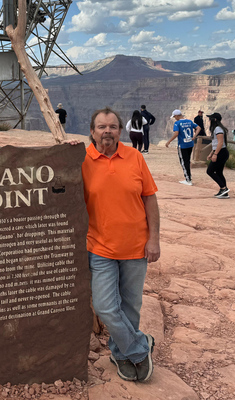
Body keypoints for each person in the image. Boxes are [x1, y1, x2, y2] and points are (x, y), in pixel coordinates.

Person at [82, 107, 160, 383]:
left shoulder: (135, 157)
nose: (107, 131)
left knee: (130, 307)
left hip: (137, 248)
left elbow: (150, 198)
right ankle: (140, 349)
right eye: (101, 127)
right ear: (92, 131)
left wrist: (154, 239)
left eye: (112, 127)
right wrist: (64, 152)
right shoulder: (82, 160)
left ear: (120, 130)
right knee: (105, 307)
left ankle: (120, 353)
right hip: (100, 248)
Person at [164, 109, 199, 186]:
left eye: (174, 117)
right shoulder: (190, 121)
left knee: (183, 162)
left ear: (177, 115)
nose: (174, 118)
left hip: (182, 145)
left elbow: (176, 133)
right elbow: (198, 128)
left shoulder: (177, 123)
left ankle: (188, 180)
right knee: (187, 160)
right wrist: (194, 136)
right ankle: (188, 178)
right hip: (190, 144)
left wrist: (169, 141)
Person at [207, 112, 230, 198]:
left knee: (210, 171)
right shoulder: (218, 128)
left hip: (221, 153)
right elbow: (215, 144)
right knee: (219, 172)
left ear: (215, 119)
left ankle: (223, 188)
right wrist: (211, 153)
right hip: (221, 152)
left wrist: (215, 154)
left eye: (211, 119)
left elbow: (220, 143)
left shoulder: (218, 129)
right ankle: (224, 192)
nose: (209, 120)